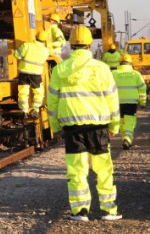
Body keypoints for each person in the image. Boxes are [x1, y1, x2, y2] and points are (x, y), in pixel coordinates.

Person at [47, 25, 121, 221]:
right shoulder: (102, 68)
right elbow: (112, 99)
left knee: (77, 170)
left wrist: (55, 126)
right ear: (90, 45)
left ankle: (80, 211)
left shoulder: (60, 69)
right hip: (98, 127)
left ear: (72, 45)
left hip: (72, 128)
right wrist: (114, 125)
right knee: (104, 169)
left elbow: (52, 101)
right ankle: (108, 211)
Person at [111, 53, 147, 150]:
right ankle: (127, 139)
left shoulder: (113, 74)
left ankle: (125, 138)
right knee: (129, 122)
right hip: (131, 103)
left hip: (117, 103)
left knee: (122, 121)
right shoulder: (136, 74)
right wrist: (143, 102)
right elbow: (142, 89)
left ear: (120, 62)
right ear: (130, 63)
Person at [14, 30, 49, 118]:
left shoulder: (26, 45)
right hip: (36, 74)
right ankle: (34, 109)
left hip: (24, 73)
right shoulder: (45, 51)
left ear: (36, 37)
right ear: (44, 40)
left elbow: (16, 55)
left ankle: (24, 112)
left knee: (23, 92)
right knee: (39, 93)